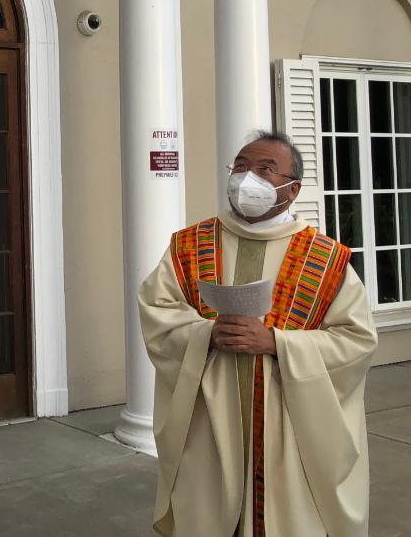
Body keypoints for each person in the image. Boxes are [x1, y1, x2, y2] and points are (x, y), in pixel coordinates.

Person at [139, 130, 377, 536]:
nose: (247, 179)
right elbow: (158, 311)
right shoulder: (190, 245)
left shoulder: (326, 258)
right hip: (209, 421)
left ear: (292, 188)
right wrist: (204, 335)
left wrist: (276, 343)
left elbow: (356, 340)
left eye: (265, 169)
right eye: (241, 167)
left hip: (291, 425)